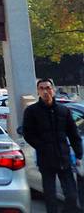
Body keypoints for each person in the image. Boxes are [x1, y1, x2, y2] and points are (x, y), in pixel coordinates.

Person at [22, 78, 82, 213]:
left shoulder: (63, 110)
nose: (45, 91)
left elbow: (73, 133)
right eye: (42, 88)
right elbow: (28, 133)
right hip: (46, 160)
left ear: (53, 90)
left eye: (48, 88)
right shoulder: (31, 111)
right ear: (38, 91)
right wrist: (41, 146)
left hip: (64, 158)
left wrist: (78, 153)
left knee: (72, 195)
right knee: (50, 196)